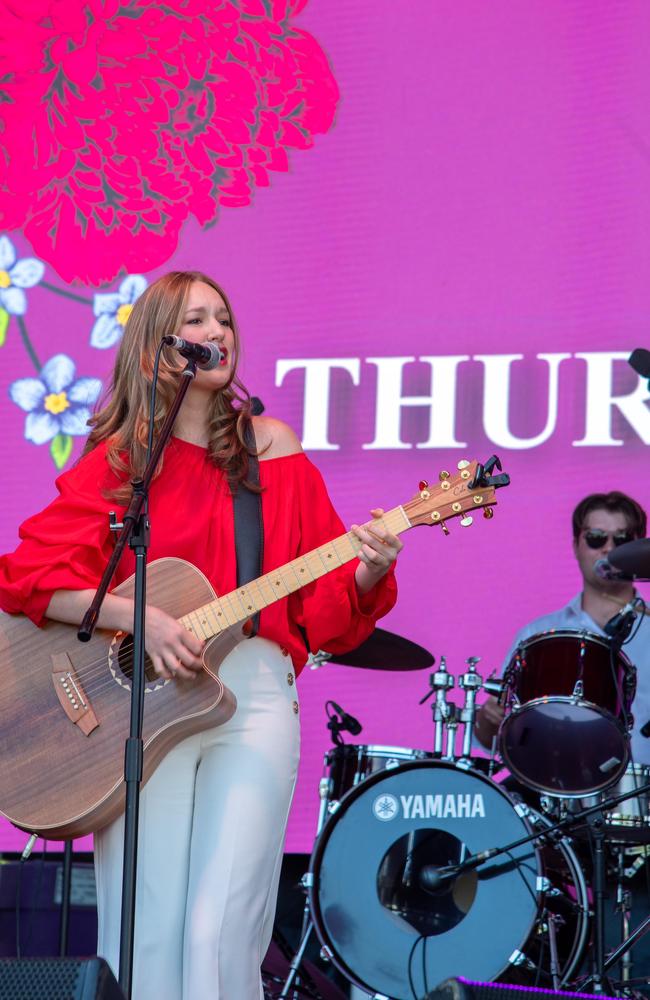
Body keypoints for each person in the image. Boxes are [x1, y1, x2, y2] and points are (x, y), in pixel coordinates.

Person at [0, 271, 401, 1000]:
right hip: (138, 708)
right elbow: (27, 578)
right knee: (145, 927)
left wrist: (369, 571)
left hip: (249, 694)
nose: (218, 332)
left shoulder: (269, 447)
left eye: (225, 320)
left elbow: (328, 614)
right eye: (197, 320)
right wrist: (138, 617)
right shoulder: (125, 461)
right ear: (156, 347)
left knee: (220, 929)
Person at [474, 490, 650, 766]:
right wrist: (488, 718)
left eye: (623, 539)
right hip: (558, 799)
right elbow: (493, 740)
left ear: (640, 549)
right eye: (596, 538)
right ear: (575, 546)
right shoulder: (538, 634)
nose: (608, 548)